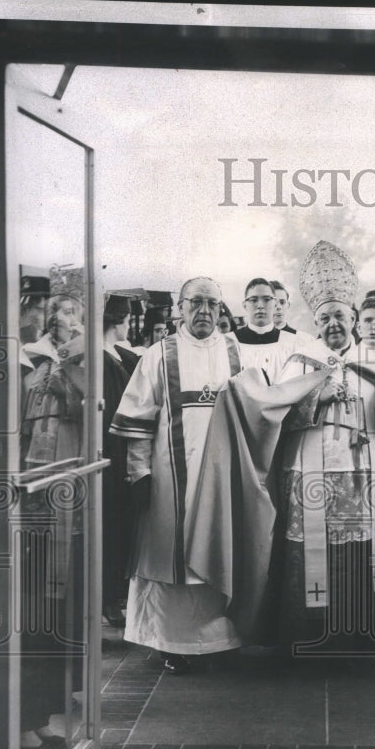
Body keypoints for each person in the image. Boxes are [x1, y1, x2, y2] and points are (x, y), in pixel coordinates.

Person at [273, 240, 375, 654]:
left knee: (357, 552)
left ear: (353, 318)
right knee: (310, 553)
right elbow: (279, 415)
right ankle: (310, 632)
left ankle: (355, 632)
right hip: (309, 471)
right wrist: (318, 398)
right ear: (316, 322)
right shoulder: (300, 360)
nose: (334, 323)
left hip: (360, 471)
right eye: (325, 317)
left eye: (340, 316)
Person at [110, 277, 245, 674]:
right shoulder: (159, 354)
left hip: (223, 476)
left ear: (222, 310)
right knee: (171, 554)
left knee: (219, 549)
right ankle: (171, 642)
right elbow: (136, 421)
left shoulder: (236, 353)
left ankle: (221, 638)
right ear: (179, 309)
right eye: (196, 303)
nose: (204, 312)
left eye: (212, 304)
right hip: (171, 478)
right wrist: (140, 473)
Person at [18, 291, 88, 749]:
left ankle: (46, 711)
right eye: (59, 313)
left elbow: (97, 415)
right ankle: (25, 718)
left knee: (60, 609)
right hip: (33, 496)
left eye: (74, 314)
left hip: (71, 496)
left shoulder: (88, 363)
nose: (66, 321)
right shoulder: (27, 361)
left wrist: (73, 388)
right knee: (32, 609)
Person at [102, 293, 135, 627]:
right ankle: (109, 598)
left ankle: (113, 596)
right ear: (119, 321)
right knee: (112, 525)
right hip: (112, 451)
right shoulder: (105, 361)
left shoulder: (117, 356)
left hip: (116, 451)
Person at [226, 277, 305, 384]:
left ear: (275, 303)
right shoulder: (228, 343)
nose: (260, 306)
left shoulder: (294, 343)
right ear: (245, 305)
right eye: (253, 300)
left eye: (267, 300)